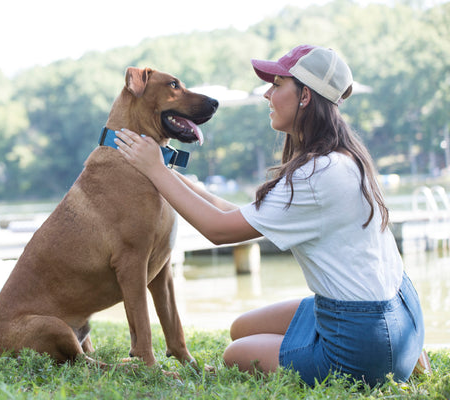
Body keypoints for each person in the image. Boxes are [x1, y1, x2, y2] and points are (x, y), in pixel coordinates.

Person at [114, 44, 427, 386]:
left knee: (236, 354)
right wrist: (172, 175)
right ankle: (395, 354)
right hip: (400, 318)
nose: (267, 94)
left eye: (277, 85)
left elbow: (219, 230)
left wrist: (156, 171)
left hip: (362, 342)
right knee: (241, 329)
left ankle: (369, 362)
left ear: (305, 96)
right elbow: (242, 217)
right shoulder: (343, 158)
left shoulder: (315, 175)